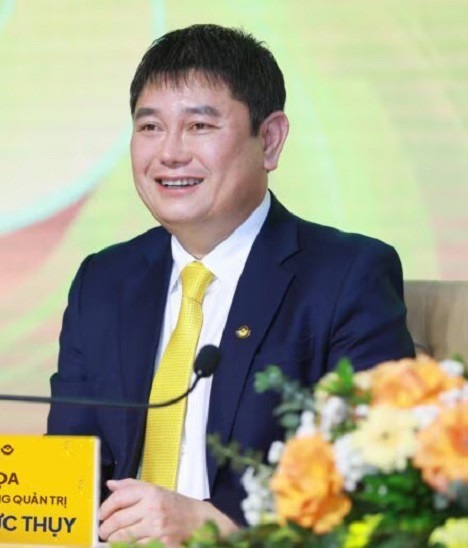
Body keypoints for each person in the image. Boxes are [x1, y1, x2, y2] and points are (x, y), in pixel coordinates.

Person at [46, 24, 414, 544]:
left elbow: (376, 481)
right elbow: (69, 472)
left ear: (270, 140)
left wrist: (219, 527)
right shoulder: (103, 282)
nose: (169, 153)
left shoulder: (346, 276)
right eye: (149, 127)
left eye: (199, 126)